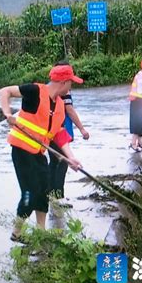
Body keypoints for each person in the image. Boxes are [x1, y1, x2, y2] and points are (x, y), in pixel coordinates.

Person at [0, 63, 82, 242]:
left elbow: (60, 134)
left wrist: (71, 158)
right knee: (30, 193)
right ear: (64, 82)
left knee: (44, 191)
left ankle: (41, 232)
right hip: (21, 151)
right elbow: (5, 91)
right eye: (71, 83)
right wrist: (7, 114)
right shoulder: (34, 90)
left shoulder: (59, 105)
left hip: (38, 153)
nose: (71, 87)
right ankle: (17, 232)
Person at [48, 63, 90, 208]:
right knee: (61, 164)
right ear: (63, 81)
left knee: (54, 163)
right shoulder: (62, 92)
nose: (71, 84)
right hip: (58, 132)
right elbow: (70, 110)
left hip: (54, 133)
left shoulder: (54, 91)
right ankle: (58, 197)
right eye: (70, 80)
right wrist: (82, 129)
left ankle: (50, 194)